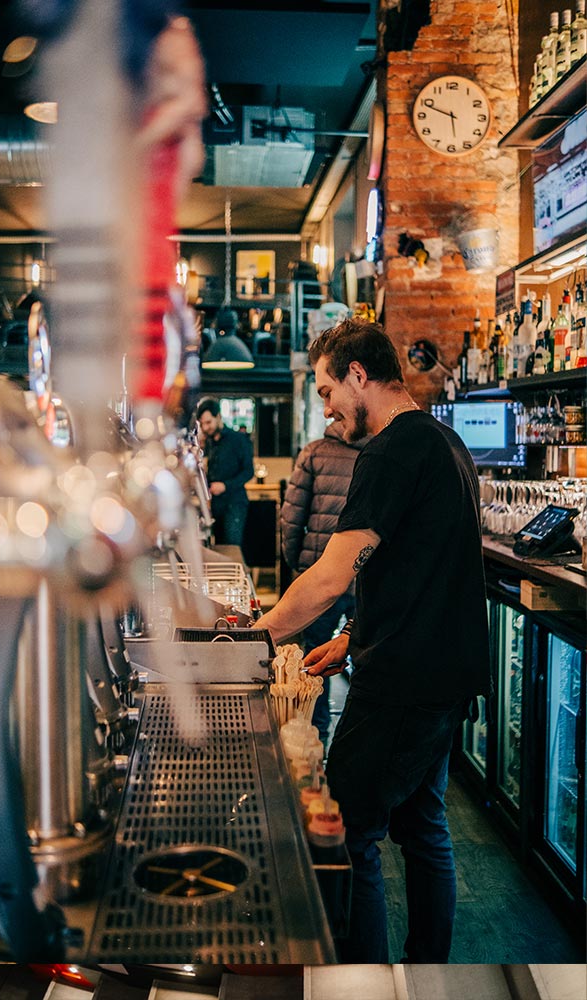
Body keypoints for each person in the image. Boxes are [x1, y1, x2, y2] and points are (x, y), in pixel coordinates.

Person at [257, 319, 491, 963]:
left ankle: (361, 980)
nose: (327, 408)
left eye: (330, 390)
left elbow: (332, 576)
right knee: (424, 829)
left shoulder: (388, 452)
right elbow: (430, 566)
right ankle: (426, 973)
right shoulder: (446, 442)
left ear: (360, 376)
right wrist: (356, 635)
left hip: (404, 682)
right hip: (449, 675)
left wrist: (253, 636)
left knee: (352, 828)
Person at [281, 420, 367, 749]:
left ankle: (314, 743)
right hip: (365, 580)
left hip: (319, 576)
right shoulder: (377, 456)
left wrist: (296, 563)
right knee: (362, 658)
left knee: (315, 662)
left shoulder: (314, 453)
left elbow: (291, 518)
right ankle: (353, 744)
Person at [197, 395, 254, 548]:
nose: (206, 427)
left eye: (208, 422)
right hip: (216, 505)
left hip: (234, 504)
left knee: (231, 548)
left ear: (219, 417)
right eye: (202, 424)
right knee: (218, 549)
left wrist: (225, 486)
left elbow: (249, 471)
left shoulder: (238, 440)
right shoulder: (208, 443)